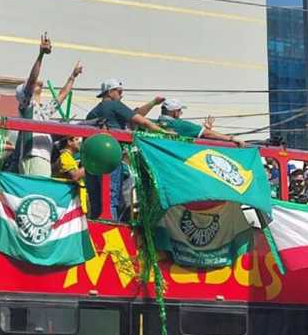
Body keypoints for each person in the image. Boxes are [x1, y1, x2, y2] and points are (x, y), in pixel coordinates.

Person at [83, 79, 169, 220]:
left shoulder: (92, 113)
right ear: (110, 92)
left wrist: (153, 103)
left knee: (96, 199)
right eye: (119, 91)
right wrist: (164, 132)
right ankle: (111, 226)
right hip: (110, 157)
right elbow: (142, 121)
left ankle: (95, 227)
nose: (121, 95)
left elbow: (134, 114)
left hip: (92, 162)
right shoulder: (114, 105)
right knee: (111, 198)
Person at [14, 33, 83, 177]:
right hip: (33, 155)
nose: (36, 83)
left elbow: (61, 96)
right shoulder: (27, 106)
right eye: (30, 85)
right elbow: (32, 79)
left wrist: (73, 76)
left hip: (44, 157)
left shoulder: (43, 111)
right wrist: (41, 55)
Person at [154, 99, 244, 146]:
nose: (181, 113)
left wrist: (208, 129)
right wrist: (231, 138)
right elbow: (207, 134)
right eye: (180, 110)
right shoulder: (181, 125)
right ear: (175, 112)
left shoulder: (153, 124)